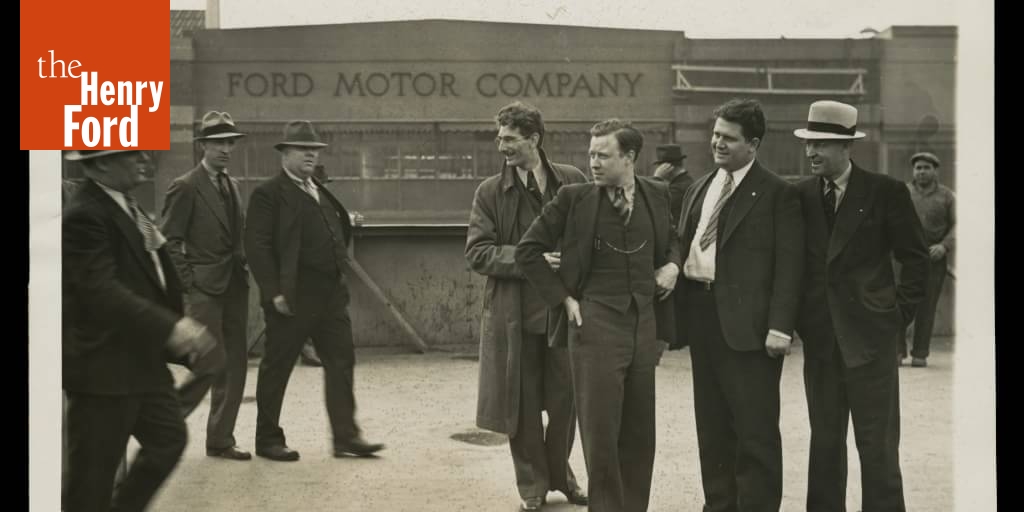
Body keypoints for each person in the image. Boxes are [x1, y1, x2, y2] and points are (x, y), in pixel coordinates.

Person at [515, 119, 680, 512]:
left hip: (643, 323)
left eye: (603, 155)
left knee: (640, 431)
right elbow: (527, 251)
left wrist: (673, 265)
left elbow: (672, 239)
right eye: (591, 154)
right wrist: (564, 300)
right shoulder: (574, 199)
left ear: (629, 157)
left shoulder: (657, 193)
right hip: (594, 324)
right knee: (601, 433)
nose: (593, 163)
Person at [62, 149, 218, 511]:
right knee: (91, 482)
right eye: (131, 154)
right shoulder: (85, 215)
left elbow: (150, 269)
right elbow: (101, 291)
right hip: (103, 369)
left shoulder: (126, 205)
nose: (143, 159)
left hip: (142, 362)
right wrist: (170, 327)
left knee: (168, 440)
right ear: (102, 162)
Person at [793, 100, 929, 512]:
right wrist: (803, 319)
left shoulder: (885, 192)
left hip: (872, 340)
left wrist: (896, 317)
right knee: (825, 445)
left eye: (821, 144)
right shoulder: (800, 195)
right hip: (822, 341)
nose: (811, 152)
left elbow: (916, 259)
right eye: (809, 143)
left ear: (846, 147)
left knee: (878, 447)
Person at [672, 98, 804, 512]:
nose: (718, 144)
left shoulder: (778, 193)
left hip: (751, 328)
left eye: (729, 138)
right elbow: (683, 243)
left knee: (754, 431)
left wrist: (780, 326)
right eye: (715, 135)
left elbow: (790, 266)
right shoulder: (699, 187)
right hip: (702, 317)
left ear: (754, 144)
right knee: (711, 427)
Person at [465, 101, 588, 511]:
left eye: (510, 139)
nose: (501, 146)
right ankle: (532, 486)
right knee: (521, 406)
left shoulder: (572, 180)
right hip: (515, 315)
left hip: (562, 312)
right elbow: (477, 252)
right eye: (499, 138)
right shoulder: (489, 192)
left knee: (567, 401)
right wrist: (529, 259)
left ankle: (561, 476)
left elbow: (591, 236)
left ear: (534, 139)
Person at [244, 120, 384, 461]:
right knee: (277, 366)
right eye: (302, 149)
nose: (310, 155)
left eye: (314, 150)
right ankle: (267, 439)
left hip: (330, 295)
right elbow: (257, 247)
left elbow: (336, 228)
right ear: (284, 154)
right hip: (292, 296)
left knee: (341, 361)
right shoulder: (268, 194)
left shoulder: (318, 189)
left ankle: (346, 437)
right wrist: (274, 292)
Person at [160, 110, 253, 460]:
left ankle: (220, 439)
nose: (226, 149)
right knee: (207, 362)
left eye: (230, 143)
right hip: (204, 289)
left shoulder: (233, 186)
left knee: (236, 364)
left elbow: (237, 236)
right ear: (203, 146)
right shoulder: (185, 186)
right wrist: (190, 283)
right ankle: (160, 425)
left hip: (234, 286)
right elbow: (169, 241)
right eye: (218, 143)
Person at [902, 151, 955, 368]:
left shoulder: (947, 196)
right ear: (913, 171)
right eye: (918, 168)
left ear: (935, 171)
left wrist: (944, 246)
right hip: (903, 257)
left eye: (926, 168)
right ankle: (897, 352)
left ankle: (920, 353)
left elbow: (959, 224)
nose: (922, 172)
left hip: (933, 257)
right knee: (898, 303)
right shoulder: (903, 192)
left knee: (927, 306)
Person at [650, 143, 693, 229]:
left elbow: (652, 205)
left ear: (667, 167)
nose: (658, 169)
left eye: (660, 166)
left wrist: (656, 178)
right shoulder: (685, 181)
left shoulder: (678, 188)